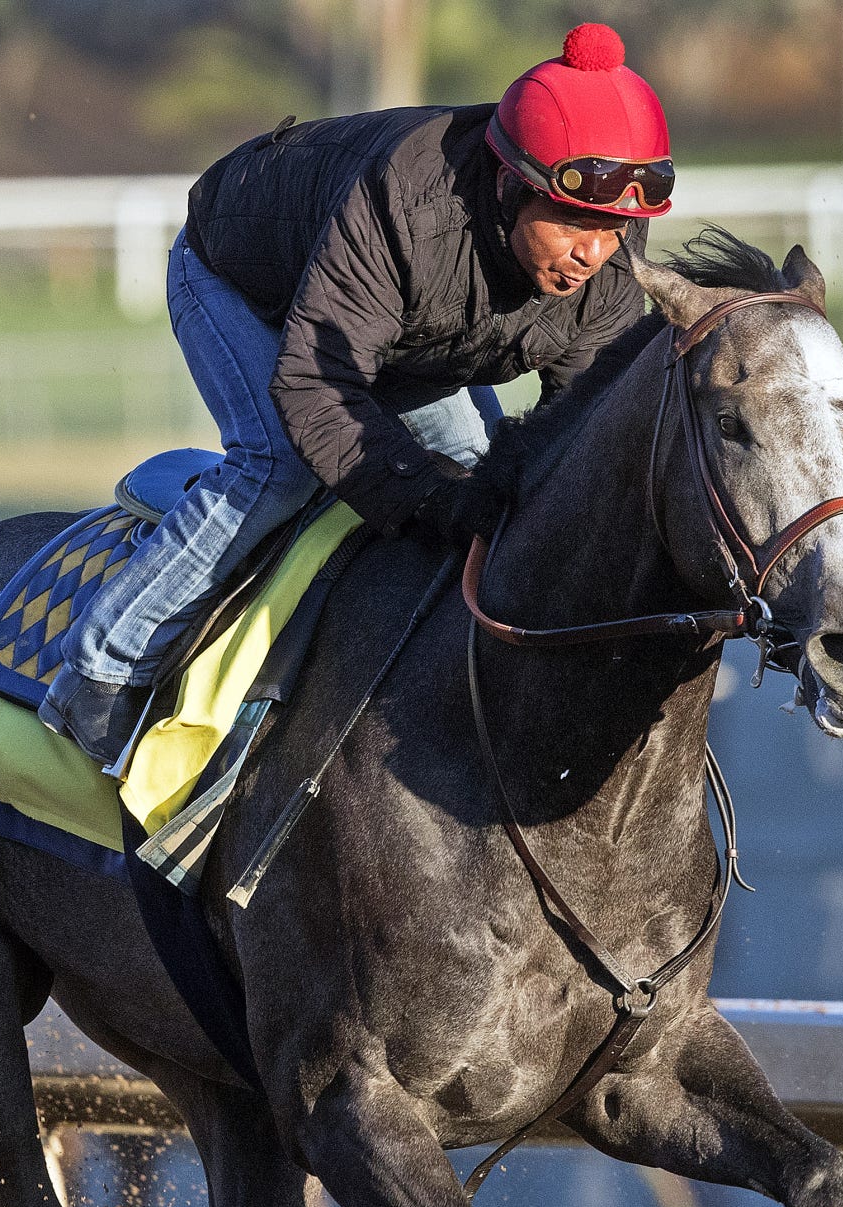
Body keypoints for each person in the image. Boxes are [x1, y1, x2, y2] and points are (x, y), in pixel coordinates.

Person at [38, 20, 675, 766]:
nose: (593, 252)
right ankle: (103, 668)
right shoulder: (406, 202)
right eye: (570, 220)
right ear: (509, 185)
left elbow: (581, 433)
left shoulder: (607, 262)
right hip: (244, 282)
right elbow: (314, 382)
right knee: (279, 465)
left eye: (614, 227)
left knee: (487, 491)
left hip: (399, 331)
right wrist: (426, 496)